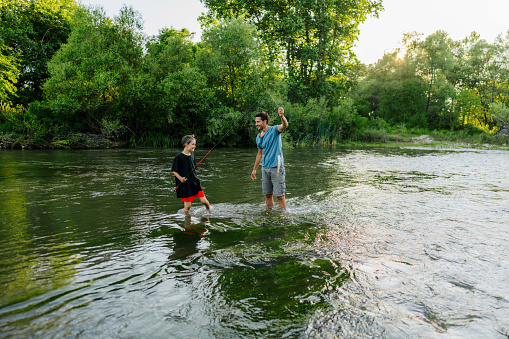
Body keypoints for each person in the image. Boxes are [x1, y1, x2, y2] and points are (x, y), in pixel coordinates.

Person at [251, 107, 289, 210]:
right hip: (265, 168)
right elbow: (259, 154)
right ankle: (270, 215)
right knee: (268, 195)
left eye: (258, 122)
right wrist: (254, 169)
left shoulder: (274, 130)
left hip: (276, 168)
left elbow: (285, 125)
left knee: (280, 196)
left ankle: (282, 217)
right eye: (256, 122)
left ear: (265, 121)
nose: (256, 124)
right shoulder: (258, 137)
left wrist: (282, 116)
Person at [171, 135, 211, 214]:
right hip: (185, 184)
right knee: (188, 207)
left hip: (195, 181)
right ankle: (187, 222)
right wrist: (181, 179)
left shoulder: (192, 155)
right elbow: (174, 170)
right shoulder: (178, 157)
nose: (195, 146)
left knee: (204, 202)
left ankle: (209, 211)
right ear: (186, 144)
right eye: (193, 144)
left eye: (195, 144)